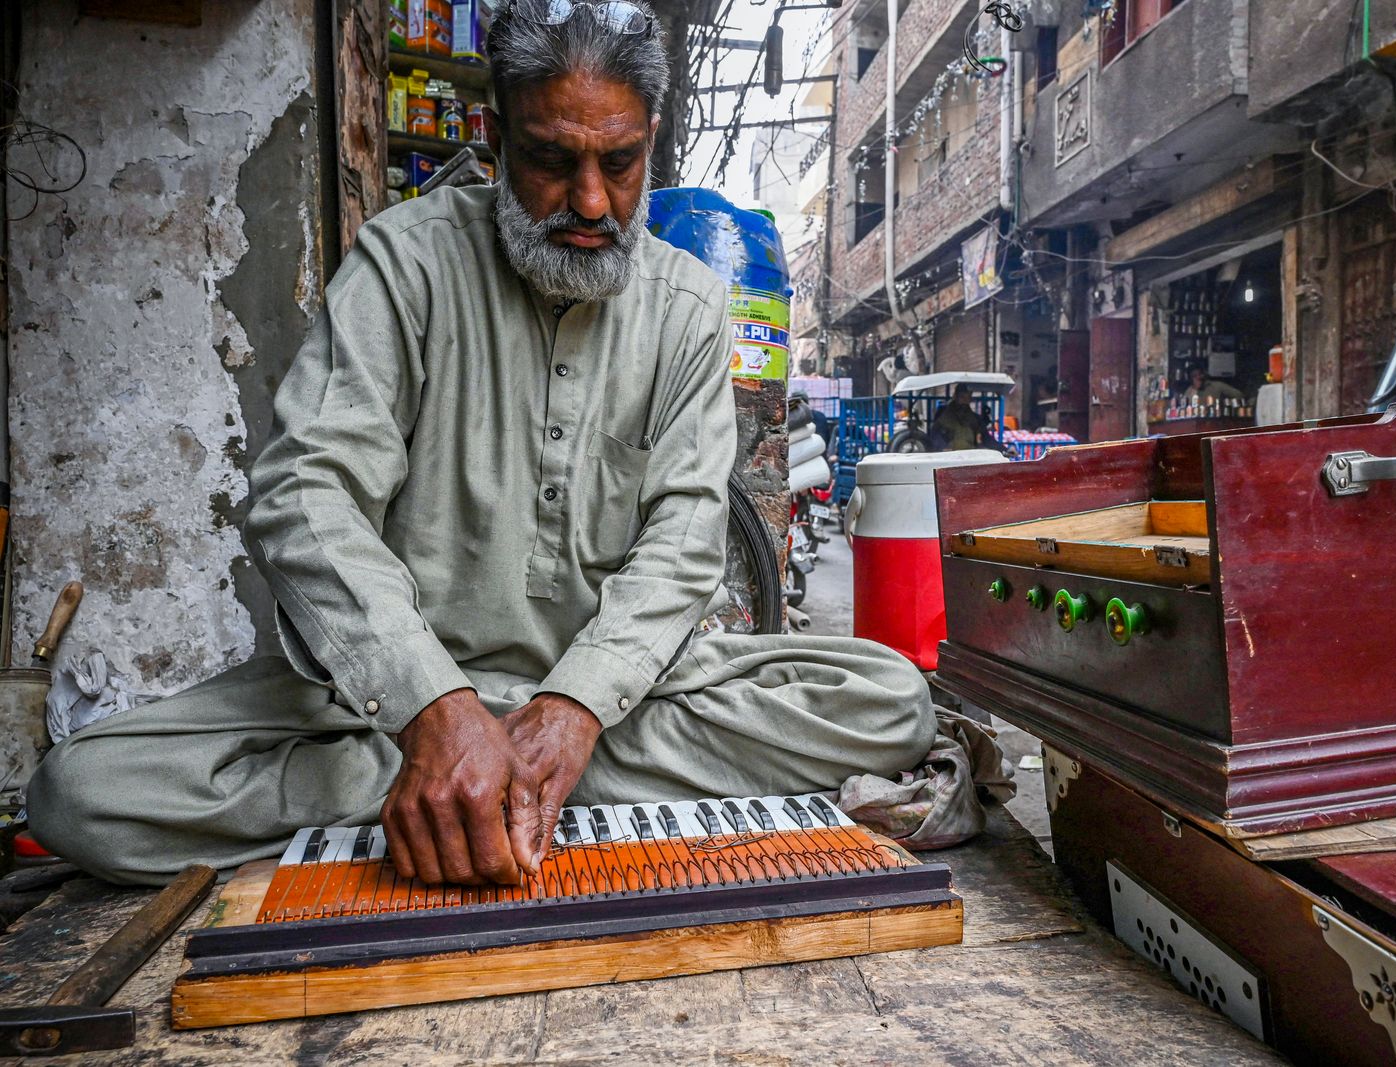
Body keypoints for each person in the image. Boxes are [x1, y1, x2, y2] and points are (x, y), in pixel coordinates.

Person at [28, 0, 934, 887]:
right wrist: (433, 707)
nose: (591, 201)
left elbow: (686, 536)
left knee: (889, 700)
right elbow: (307, 491)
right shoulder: (403, 264)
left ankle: (481, 789)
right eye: (551, 159)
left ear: (651, 140)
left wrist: (574, 706)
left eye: (619, 163)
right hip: (384, 710)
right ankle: (472, 781)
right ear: (494, 139)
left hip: (614, 707)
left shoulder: (689, 305)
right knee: (82, 792)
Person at [930, 385, 996, 451]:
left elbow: (986, 438)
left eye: (968, 398)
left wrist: (1000, 449)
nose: (965, 401)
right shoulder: (943, 415)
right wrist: (942, 448)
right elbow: (935, 434)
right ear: (955, 396)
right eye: (962, 397)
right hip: (949, 456)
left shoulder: (975, 419)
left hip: (970, 456)